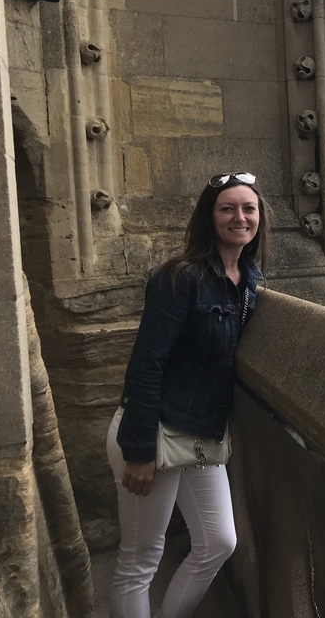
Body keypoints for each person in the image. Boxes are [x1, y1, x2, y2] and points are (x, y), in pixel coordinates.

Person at [106, 172, 269, 618]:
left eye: (248, 208)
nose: (240, 217)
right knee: (140, 559)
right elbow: (147, 363)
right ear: (209, 217)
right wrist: (138, 450)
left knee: (219, 542)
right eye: (227, 208)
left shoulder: (250, 280)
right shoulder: (181, 277)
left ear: (259, 218)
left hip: (200, 434)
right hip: (154, 430)